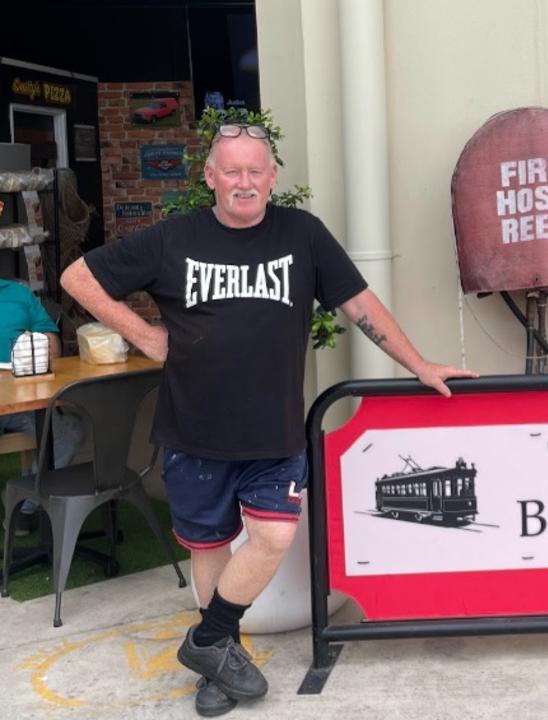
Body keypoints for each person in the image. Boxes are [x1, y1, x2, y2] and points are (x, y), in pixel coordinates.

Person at [61, 123, 479, 717]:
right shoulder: (172, 238)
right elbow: (78, 277)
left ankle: (206, 641)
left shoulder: (301, 234)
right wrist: (145, 335)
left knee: (274, 536)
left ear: (273, 178)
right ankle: (218, 662)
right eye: (231, 171)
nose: (244, 182)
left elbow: (358, 302)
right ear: (209, 178)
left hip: (274, 432)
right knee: (210, 547)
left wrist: (417, 363)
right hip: (193, 430)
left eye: (256, 171)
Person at [0, 280, 85, 536]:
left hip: (22, 400)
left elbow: (49, 338)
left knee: (71, 432)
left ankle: (22, 504)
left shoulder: (19, 293)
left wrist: (41, 352)